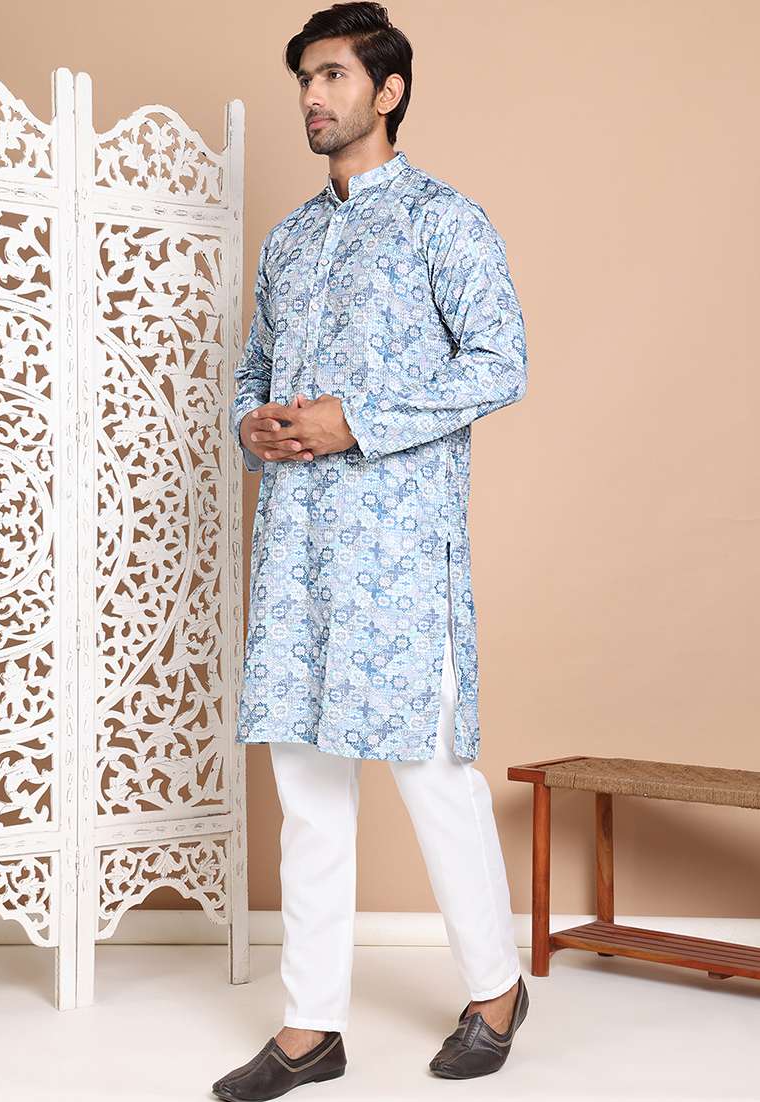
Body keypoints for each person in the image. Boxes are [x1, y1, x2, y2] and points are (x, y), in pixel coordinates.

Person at [212, 4, 530, 1098]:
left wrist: (357, 418)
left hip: (398, 554)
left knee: (431, 775)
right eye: (306, 78)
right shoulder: (290, 240)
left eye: (334, 75)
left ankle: (496, 989)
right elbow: (251, 370)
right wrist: (250, 424)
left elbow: (500, 361)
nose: (314, 95)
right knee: (306, 787)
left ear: (387, 92)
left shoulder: (445, 221)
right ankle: (311, 1028)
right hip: (296, 552)